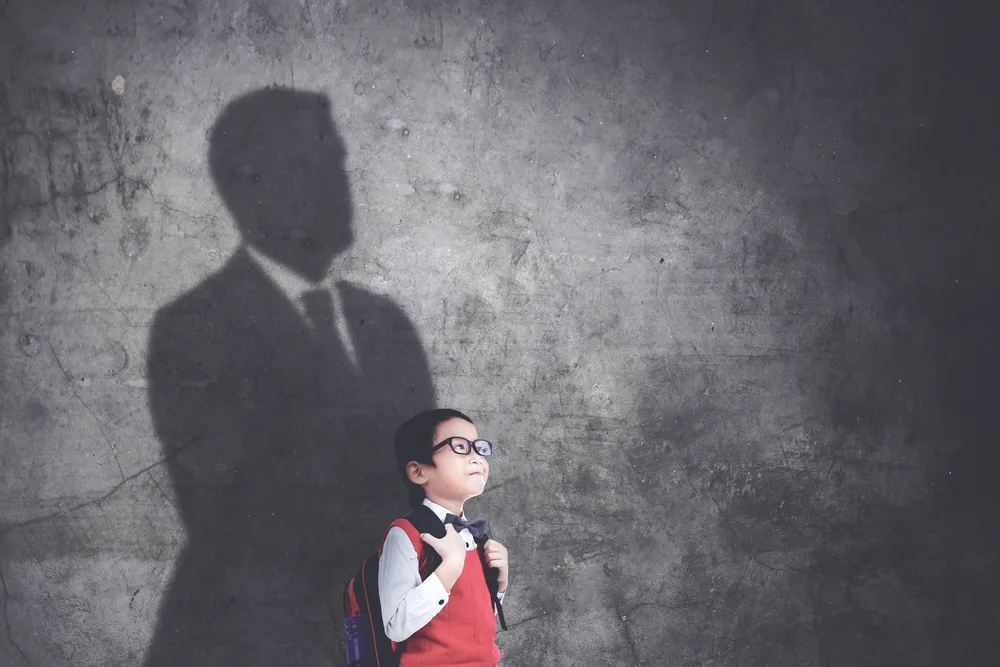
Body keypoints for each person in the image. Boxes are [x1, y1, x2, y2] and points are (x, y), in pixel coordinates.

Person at [379, 409, 510, 666]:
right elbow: (395, 626)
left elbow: (472, 622)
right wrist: (449, 567)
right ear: (418, 472)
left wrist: (500, 583)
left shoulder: (477, 537)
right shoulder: (405, 534)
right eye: (460, 447)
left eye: (478, 447)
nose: (476, 457)